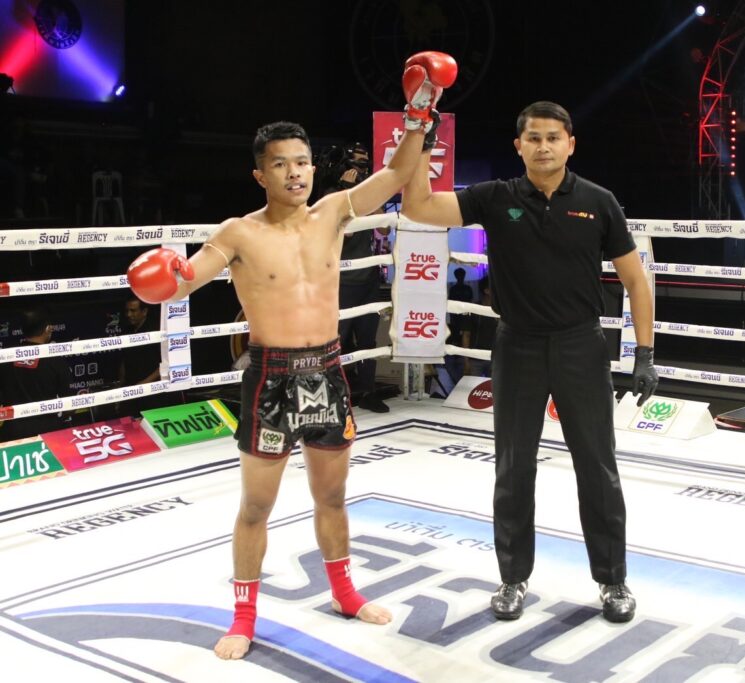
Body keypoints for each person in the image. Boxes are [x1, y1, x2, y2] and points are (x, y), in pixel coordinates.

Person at [124, 51, 457, 660]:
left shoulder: (334, 211)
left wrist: (418, 115)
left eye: (301, 162)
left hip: (327, 371)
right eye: (281, 164)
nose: (295, 173)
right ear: (261, 174)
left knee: (332, 497)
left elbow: (396, 176)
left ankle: (345, 593)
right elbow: (188, 279)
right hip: (270, 377)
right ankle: (243, 615)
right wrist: (168, 279)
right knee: (256, 506)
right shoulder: (238, 232)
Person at [401, 100, 658, 624]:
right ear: (518, 146)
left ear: (570, 144)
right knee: (513, 468)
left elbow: (636, 280)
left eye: (553, 137)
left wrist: (646, 355)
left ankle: (613, 580)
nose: (544, 146)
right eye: (534, 138)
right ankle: (513, 578)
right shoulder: (495, 197)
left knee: (598, 467)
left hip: (580, 346)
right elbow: (419, 207)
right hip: (517, 345)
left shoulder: (598, 201)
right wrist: (424, 142)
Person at [335, 143, 390, 413]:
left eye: (365, 162)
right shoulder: (332, 195)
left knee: (368, 340)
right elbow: (343, 233)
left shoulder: (370, 192)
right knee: (338, 341)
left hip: (368, 280)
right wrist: (347, 193)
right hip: (342, 282)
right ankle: (334, 396)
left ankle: (368, 392)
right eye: (357, 161)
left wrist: (368, 194)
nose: (361, 167)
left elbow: (384, 228)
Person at [0, 307, 71, 441]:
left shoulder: (6, 357)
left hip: (12, 432)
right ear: (47, 329)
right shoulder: (55, 360)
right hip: (48, 432)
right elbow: (69, 405)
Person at [117, 297, 162, 410]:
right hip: (131, 390)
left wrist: (144, 384)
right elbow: (124, 359)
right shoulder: (126, 331)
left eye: (133, 311)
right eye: (127, 311)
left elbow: (165, 364)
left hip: (152, 391)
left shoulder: (156, 331)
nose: (129, 314)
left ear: (144, 311)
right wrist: (121, 385)